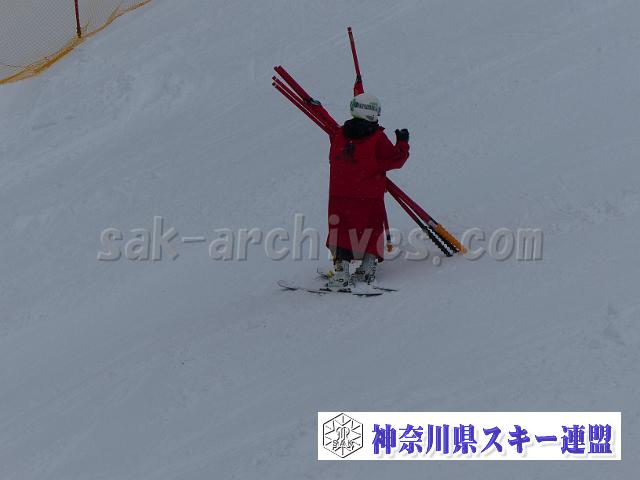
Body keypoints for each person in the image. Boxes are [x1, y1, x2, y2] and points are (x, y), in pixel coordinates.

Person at [326, 92, 410, 290]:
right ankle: (367, 267)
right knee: (372, 229)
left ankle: (341, 272)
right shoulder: (377, 138)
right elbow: (395, 159)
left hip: (339, 194)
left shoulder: (338, 134)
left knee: (340, 230)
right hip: (368, 195)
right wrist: (403, 143)